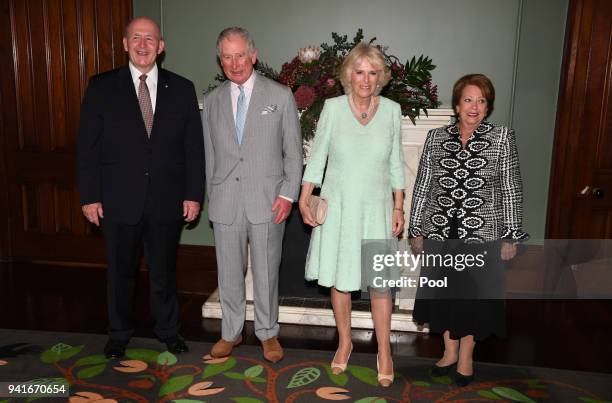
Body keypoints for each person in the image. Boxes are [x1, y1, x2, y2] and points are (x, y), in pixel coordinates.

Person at [77, 17, 204, 359]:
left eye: (150, 39)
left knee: (164, 270)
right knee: (121, 272)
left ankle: (168, 330)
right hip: (118, 200)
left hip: (167, 199)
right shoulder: (101, 86)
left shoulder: (182, 88)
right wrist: (89, 196)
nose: (143, 44)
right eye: (137, 38)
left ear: (161, 46)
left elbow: (194, 148)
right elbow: (87, 147)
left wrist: (193, 194)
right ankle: (118, 334)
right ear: (124, 43)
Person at [408, 73, 528, 386]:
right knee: (444, 296)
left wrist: (511, 235)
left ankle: (465, 357)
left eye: (481, 100)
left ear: (488, 107)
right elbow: (422, 186)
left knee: (474, 300)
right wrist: (416, 229)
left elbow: (511, 189)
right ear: (457, 105)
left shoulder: (502, 138)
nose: (474, 106)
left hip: (483, 236)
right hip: (440, 233)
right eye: (468, 99)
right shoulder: (436, 137)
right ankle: (448, 352)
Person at [299, 43, 405, 387]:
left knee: (380, 287)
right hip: (340, 208)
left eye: (373, 73)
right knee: (341, 280)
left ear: (381, 78)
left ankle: (384, 350)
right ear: (348, 76)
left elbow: (395, 163)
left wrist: (399, 205)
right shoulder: (331, 108)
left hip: (377, 209)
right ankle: (344, 342)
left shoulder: (391, 110)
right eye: (359, 72)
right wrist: (304, 199)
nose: (366, 79)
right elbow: (317, 159)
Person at [202, 27, 302, 363]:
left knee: (266, 272)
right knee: (227, 273)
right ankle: (230, 332)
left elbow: (293, 153)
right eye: (227, 57)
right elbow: (209, 155)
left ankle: (268, 332)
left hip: (268, 201)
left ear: (253, 55)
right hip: (225, 201)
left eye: (240, 55)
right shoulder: (213, 101)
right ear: (221, 59)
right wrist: (209, 196)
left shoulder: (280, 95)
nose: (234, 63)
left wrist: (288, 195)